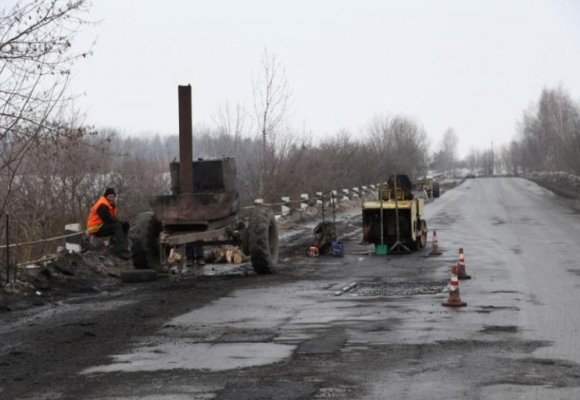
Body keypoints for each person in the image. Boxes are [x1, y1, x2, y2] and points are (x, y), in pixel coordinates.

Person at [86, 188, 131, 260]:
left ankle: (122, 246)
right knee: (117, 226)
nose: (112, 199)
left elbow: (113, 219)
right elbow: (108, 219)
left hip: (101, 225)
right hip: (95, 228)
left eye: (113, 197)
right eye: (110, 197)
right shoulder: (102, 205)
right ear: (106, 196)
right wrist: (119, 223)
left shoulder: (110, 205)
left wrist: (122, 224)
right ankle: (121, 250)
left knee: (125, 225)